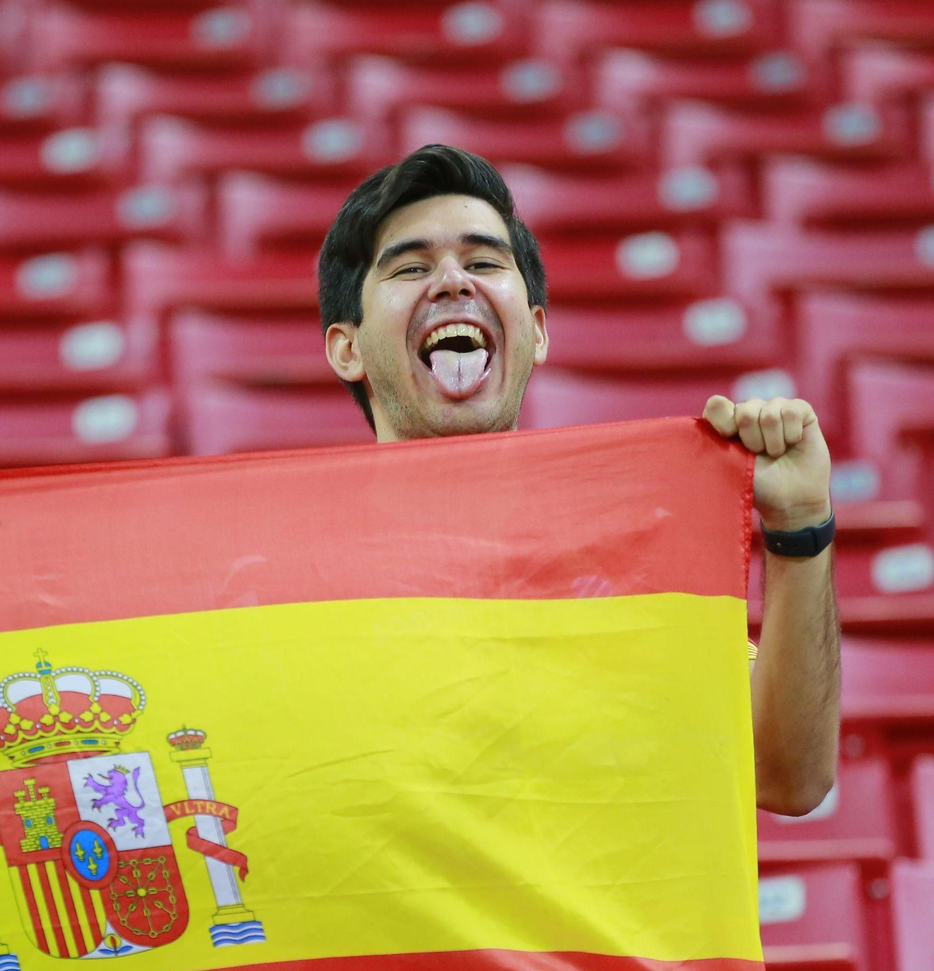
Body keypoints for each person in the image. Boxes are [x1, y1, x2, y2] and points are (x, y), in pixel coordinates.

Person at [318, 144, 838, 816]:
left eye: (484, 262)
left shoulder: (626, 566)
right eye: (412, 267)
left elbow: (788, 776)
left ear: (536, 332)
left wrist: (799, 528)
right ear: (347, 348)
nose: (452, 282)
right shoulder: (285, 584)